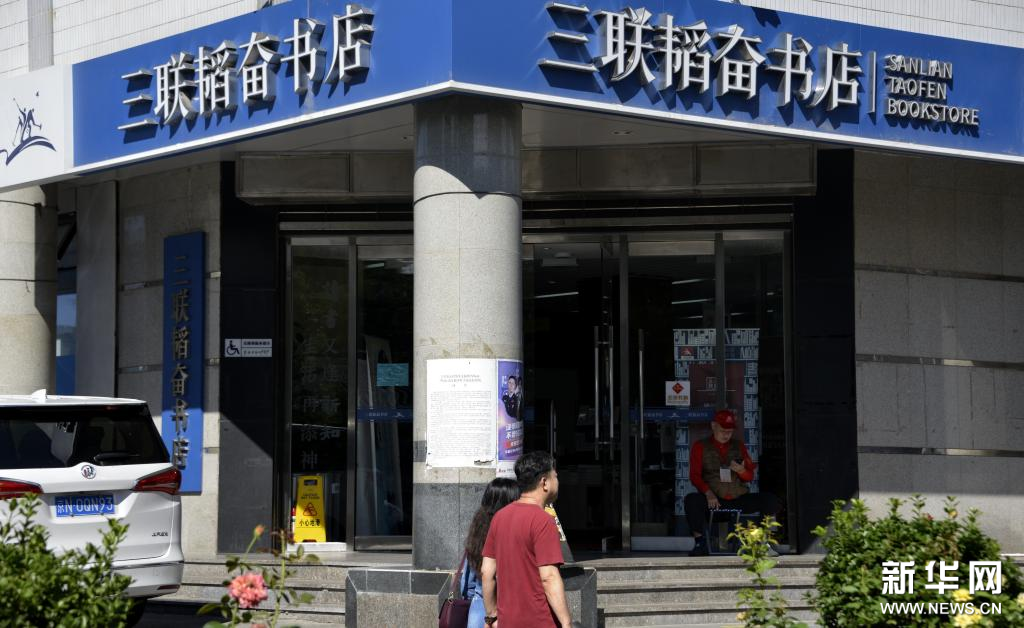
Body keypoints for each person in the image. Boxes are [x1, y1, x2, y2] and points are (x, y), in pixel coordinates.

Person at [481, 451, 572, 628]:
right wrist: (566, 622)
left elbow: (487, 572)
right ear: (544, 482)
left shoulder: (499, 517)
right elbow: (549, 577)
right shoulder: (543, 520)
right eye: (555, 476)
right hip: (540, 621)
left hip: (507, 621)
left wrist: (491, 616)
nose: (557, 481)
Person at [685, 408, 781, 557]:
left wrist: (741, 470)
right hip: (715, 500)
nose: (726, 435)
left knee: (770, 500)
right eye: (723, 430)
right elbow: (695, 476)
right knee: (692, 500)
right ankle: (700, 542)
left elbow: (749, 476)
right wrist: (708, 493)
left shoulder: (738, 446)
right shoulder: (700, 446)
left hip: (738, 498)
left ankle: (762, 541)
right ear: (713, 426)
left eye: (729, 431)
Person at [459, 477, 521, 628]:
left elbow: (467, 584)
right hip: (512, 607)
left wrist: (474, 598)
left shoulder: (478, 530)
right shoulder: (516, 531)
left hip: (479, 609)